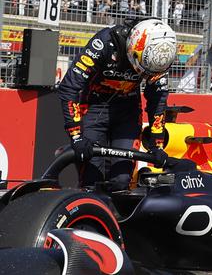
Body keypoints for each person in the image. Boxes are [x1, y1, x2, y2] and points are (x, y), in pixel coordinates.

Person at [58, 17, 177, 187]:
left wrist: (157, 145)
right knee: (91, 179)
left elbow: (158, 100)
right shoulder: (104, 42)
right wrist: (76, 136)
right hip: (93, 107)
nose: (145, 75)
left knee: (121, 180)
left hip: (127, 111)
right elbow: (69, 87)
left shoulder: (159, 57)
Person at [178, 26, 212, 93]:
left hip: (206, 92)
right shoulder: (202, 46)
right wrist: (202, 51)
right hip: (188, 89)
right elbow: (188, 65)